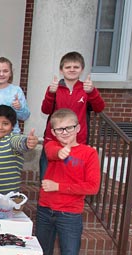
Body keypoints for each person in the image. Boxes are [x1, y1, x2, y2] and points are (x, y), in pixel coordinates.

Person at [36, 108, 101, 255]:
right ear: (53, 131)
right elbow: (54, 152)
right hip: (45, 211)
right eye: (59, 129)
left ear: (78, 128)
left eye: (69, 128)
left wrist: (59, 187)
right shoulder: (51, 146)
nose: (64, 132)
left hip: (70, 215)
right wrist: (60, 151)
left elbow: (92, 187)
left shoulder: (88, 154)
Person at [40, 51, 105, 179]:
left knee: (73, 176)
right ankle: (46, 199)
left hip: (77, 140)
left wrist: (92, 92)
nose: (72, 70)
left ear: (82, 70)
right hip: (54, 140)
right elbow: (46, 110)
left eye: (76, 67)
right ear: (61, 70)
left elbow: (99, 108)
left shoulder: (86, 89)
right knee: (47, 175)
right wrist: (50, 93)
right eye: (68, 67)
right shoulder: (54, 88)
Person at [0, 105, 38, 194]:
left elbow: (20, 142)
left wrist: (27, 143)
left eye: (5, 124)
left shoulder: (12, 139)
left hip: (9, 199)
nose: (0, 127)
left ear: (12, 126)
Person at [0, 57, 30, 134]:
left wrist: (19, 107)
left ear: (10, 73)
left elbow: (25, 116)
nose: (1, 74)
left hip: (12, 136)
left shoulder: (16, 90)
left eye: (5, 71)